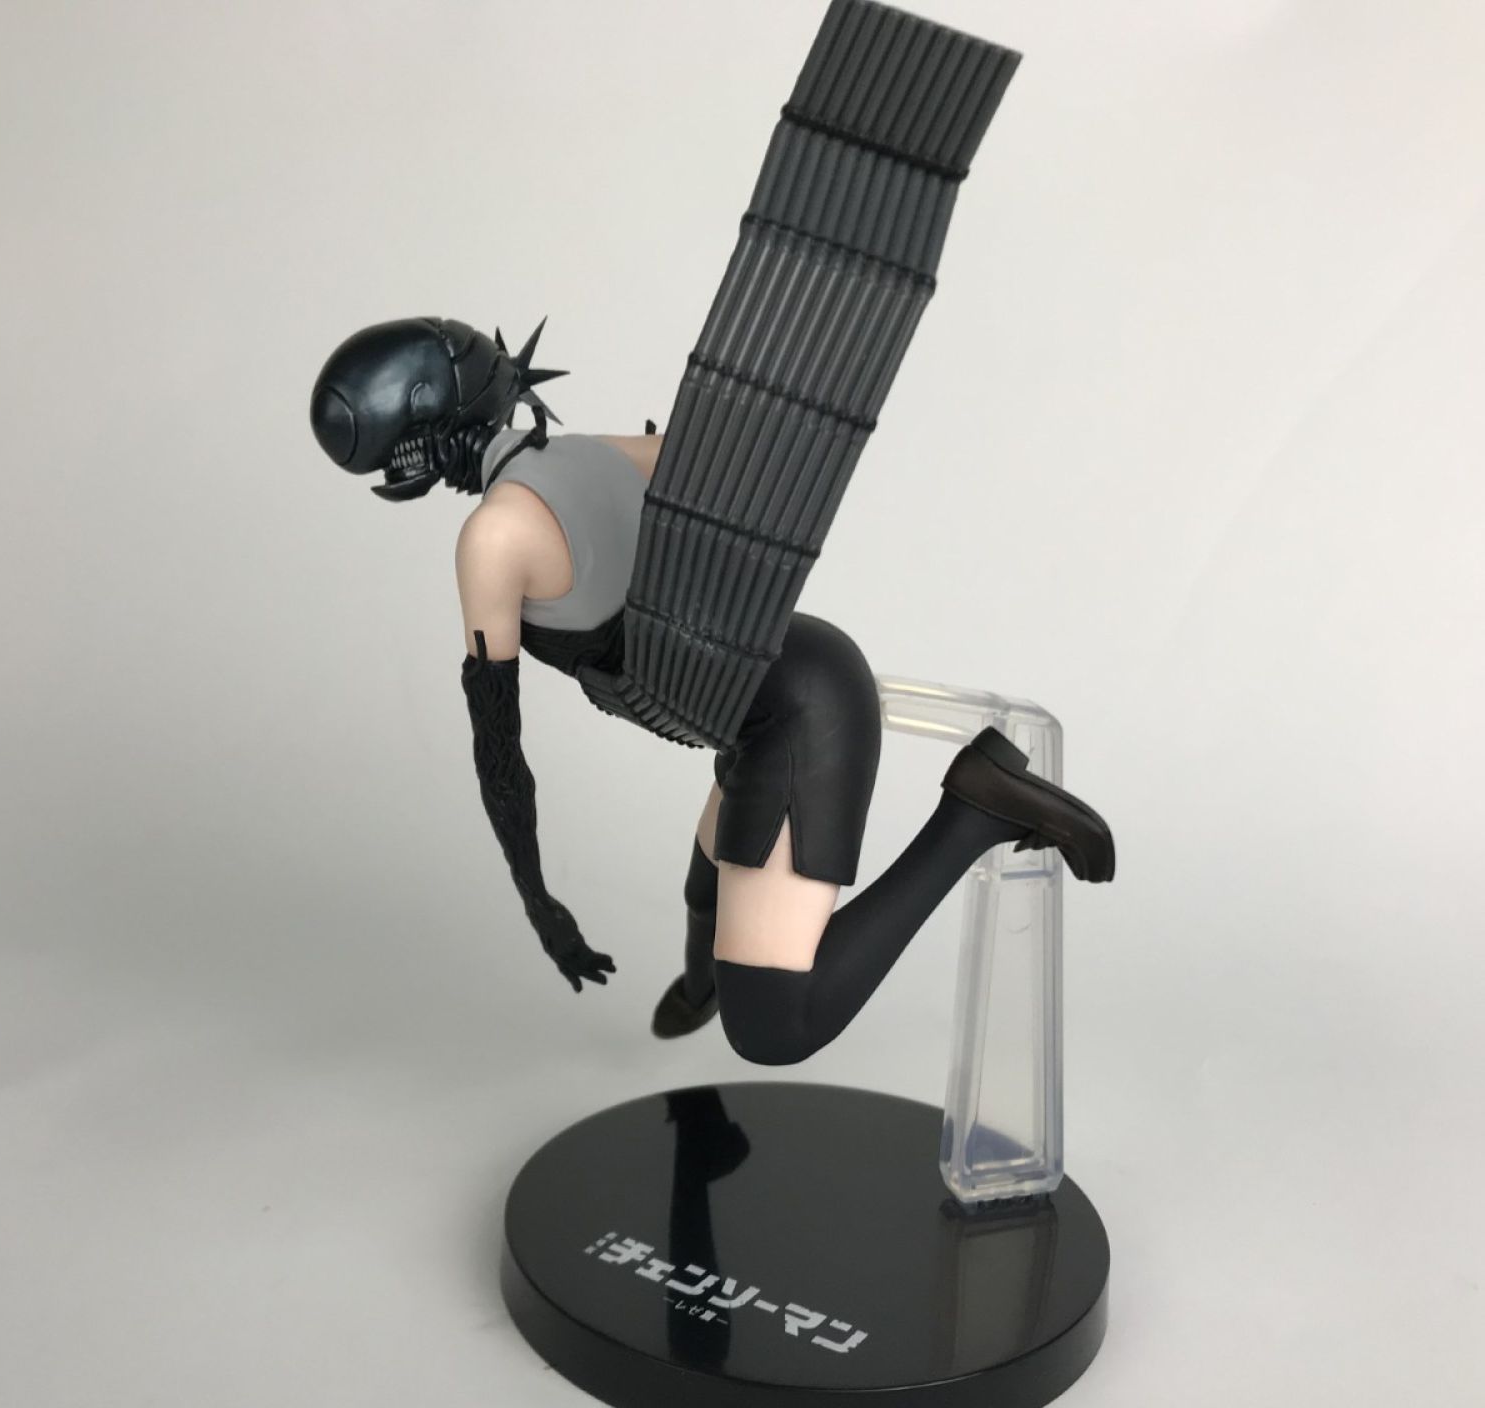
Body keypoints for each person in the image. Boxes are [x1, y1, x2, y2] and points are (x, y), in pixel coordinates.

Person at [310, 316, 1114, 1066]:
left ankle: (976, 811)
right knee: (707, 885)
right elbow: (717, 459)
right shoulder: (591, 452)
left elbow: (499, 755)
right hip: (753, 697)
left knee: (773, 1029)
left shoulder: (492, 538)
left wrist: (539, 903)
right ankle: (702, 985)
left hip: (795, 714)